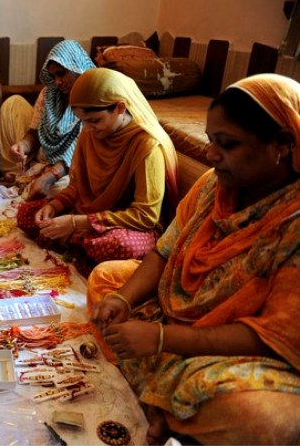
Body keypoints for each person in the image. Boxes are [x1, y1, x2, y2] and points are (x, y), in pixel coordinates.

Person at [88, 73, 300, 445]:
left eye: (227, 144)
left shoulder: (293, 221)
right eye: (210, 141)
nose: (210, 154)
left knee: (263, 422)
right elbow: (165, 250)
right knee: (107, 280)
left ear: (282, 144)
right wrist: (124, 299)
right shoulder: (214, 187)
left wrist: (160, 340)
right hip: (179, 316)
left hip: (250, 351)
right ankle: (167, 403)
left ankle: (162, 399)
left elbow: (274, 338)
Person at [18, 68, 179, 277]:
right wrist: (54, 205)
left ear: (120, 108)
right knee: (27, 214)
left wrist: (78, 223)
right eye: (82, 121)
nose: (88, 128)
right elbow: (78, 187)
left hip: (125, 226)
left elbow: (145, 216)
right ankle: (80, 243)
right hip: (87, 217)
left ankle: (78, 242)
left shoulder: (147, 146)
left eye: (94, 120)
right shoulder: (89, 133)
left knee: (119, 246)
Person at [0, 40, 96, 201]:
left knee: (61, 188)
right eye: (53, 76)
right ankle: (14, 174)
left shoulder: (94, 94)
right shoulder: (49, 92)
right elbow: (34, 134)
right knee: (12, 103)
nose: (57, 82)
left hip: (72, 167)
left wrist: (50, 176)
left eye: (61, 74)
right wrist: (22, 146)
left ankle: (26, 182)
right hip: (42, 160)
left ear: (77, 67)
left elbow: (80, 151)